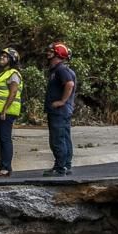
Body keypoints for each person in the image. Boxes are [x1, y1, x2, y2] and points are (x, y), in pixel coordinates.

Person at [0, 47, 23, 178]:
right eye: (1, 56)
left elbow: (13, 92)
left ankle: (6, 167)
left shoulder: (13, 74)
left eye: (5, 56)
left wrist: (4, 110)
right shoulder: (2, 73)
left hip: (6, 111)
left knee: (5, 138)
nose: (2, 58)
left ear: (12, 59)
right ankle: (2, 165)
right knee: (0, 139)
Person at [43, 42, 76, 177]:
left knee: (57, 139)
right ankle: (66, 165)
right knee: (64, 137)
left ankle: (60, 167)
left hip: (59, 111)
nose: (47, 53)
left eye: (51, 52)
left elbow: (69, 84)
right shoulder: (58, 70)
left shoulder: (61, 70)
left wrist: (62, 101)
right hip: (63, 111)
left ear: (58, 54)